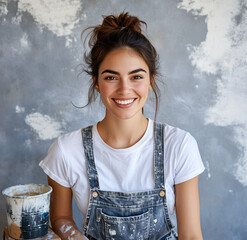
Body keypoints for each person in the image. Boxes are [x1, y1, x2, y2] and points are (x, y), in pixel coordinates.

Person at [39, 12, 205, 240]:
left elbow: (191, 235)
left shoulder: (179, 145)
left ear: (151, 81)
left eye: (136, 77)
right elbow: (60, 220)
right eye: (111, 77)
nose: (124, 89)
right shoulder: (66, 150)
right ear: (96, 82)